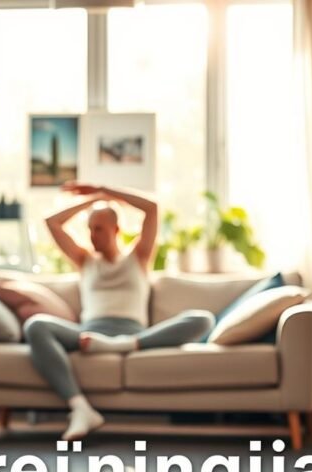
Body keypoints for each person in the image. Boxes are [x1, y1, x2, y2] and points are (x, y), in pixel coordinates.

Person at [27, 183, 216, 441]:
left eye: (99, 229)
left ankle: (118, 346)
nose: (93, 235)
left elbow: (151, 209)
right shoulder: (84, 261)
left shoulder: (138, 257)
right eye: (90, 229)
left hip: (133, 333)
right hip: (88, 335)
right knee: (36, 326)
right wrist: (92, 200)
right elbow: (52, 223)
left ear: (116, 230)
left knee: (203, 319)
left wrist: (106, 191)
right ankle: (81, 408)